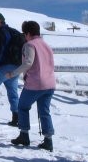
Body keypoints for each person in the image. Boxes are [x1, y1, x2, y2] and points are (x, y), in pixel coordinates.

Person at [6, 21, 56, 151]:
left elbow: (28, 62)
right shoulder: (46, 45)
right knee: (44, 110)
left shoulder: (29, 45)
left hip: (35, 83)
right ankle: (48, 139)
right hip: (50, 83)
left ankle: (24, 135)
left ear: (28, 33)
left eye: (24, 34)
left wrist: (13, 73)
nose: (24, 36)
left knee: (22, 106)